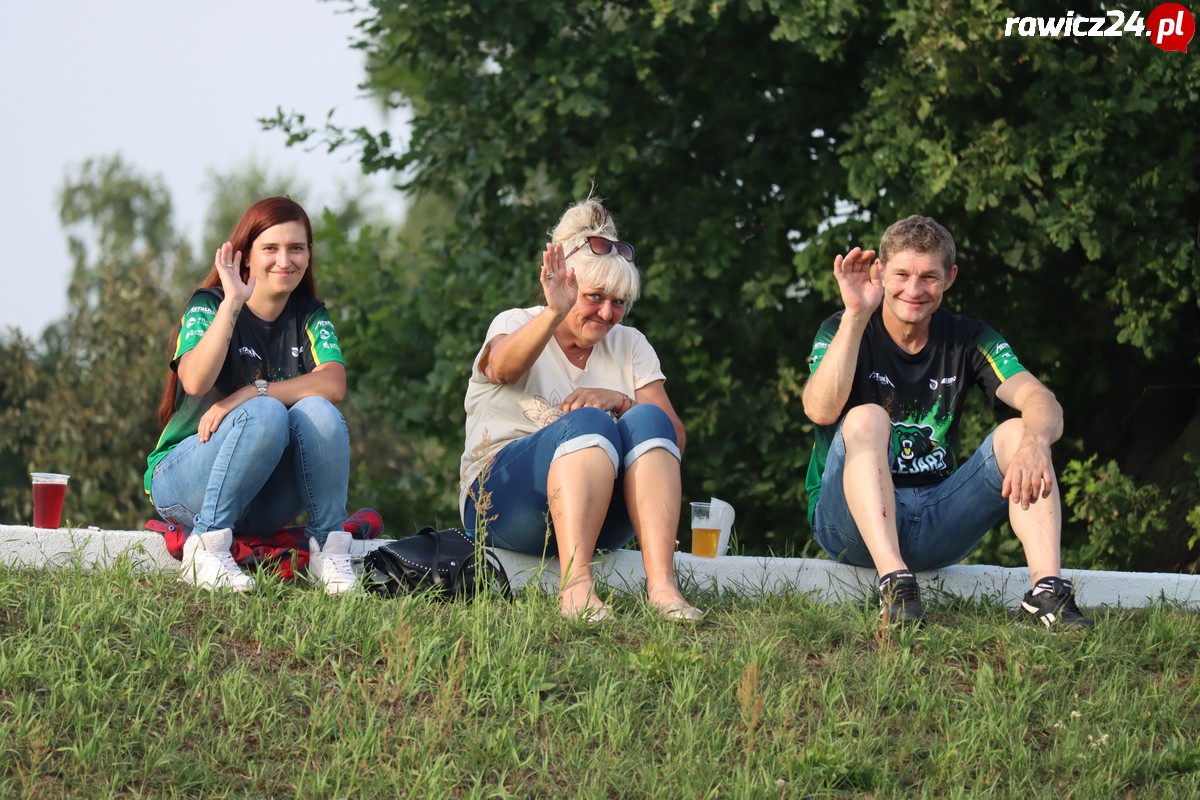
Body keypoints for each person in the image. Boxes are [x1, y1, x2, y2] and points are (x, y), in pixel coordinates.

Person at [802, 215, 1092, 628]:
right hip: (848, 525)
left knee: (1020, 431)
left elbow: (1041, 399)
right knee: (867, 417)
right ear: (879, 272)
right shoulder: (841, 327)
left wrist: (1036, 442)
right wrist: (855, 315)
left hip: (935, 518)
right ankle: (896, 586)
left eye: (929, 277)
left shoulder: (967, 336)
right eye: (901, 274)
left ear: (950, 277)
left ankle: (1047, 593)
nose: (914, 290)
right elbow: (820, 410)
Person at [459, 198, 702, 623]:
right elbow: (502, 367)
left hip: (599, 515)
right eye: (594, 297)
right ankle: (576, 590)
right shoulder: (516, 321)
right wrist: (554, 313)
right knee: (587, 423)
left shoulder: (630, 344)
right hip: (501, 504)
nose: (608, 313)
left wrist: (623, 402)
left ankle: (663, 588)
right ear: (566, 286)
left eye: (619, 302)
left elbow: (671, 438)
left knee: (645, 417)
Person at [145, 196, 355, 594]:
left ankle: (329, 550)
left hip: (258, 499)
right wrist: (233, 304)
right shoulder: (209, 303)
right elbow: (194, 381)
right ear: (246, 257)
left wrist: (251, 391)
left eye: (296, 248)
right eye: (271, 249)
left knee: (318, 412)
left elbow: (333, 383)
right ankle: (206, 550)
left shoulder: (309, 315)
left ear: (309, 255)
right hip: (182, 478)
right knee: (268, 414)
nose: (285, 260)